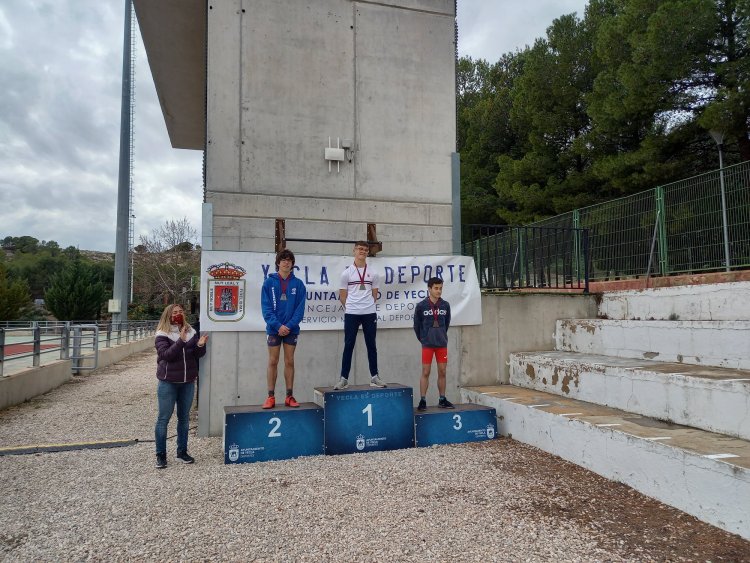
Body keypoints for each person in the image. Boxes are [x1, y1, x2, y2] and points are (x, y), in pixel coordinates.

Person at [154, 304, 208, 469]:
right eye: (174, 312)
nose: (178, 314)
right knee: (163, 419)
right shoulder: (162, 333)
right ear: (168, 315)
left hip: (187, 382)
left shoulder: (190, 330)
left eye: (180, 312)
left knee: (183, 419)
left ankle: (182, 452)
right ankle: (161, 455)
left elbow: (196, 355)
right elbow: (166, 356)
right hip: (168, 382)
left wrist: (200, 344)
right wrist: (181, 341)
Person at [334, 241, 386, 389]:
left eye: (365, 249)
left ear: (368, 252)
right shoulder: (346, 273)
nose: (362, 251)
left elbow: (374, 294)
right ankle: (344, 378)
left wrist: (366, 305)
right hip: (352, 313)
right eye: (359, 249)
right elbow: (342, 296)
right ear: (354, 251)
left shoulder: (373, 273)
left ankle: (374, 377)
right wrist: (352, 307)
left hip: (369, 313)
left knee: (371, 345)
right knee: (348, 345)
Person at [260, 248, 307, 408]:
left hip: (291, 330)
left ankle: (289, 396)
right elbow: (266, 309)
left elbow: (299, 311)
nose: (286, 262)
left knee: (290, 361)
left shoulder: (298, 284)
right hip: (274, 329)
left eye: (289, 260)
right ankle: (270, 397)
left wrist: (288, 326)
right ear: (278, 263)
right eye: (283, 259)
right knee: (273, 361)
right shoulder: (269, 283)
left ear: (292, 264)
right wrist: (278, 326)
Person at [413, 277, 454, 410]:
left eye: (440, 288)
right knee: (426, 372)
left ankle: (442, 399)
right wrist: (424, 338)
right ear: (429, 289)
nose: (439, 291)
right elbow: (416, 326)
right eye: (436, 288)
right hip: (427, 345)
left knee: (442, 371)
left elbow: (446, 323)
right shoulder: (421, 306)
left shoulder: (445, 305)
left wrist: (441, 335)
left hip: (442, 344)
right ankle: (423, 400)